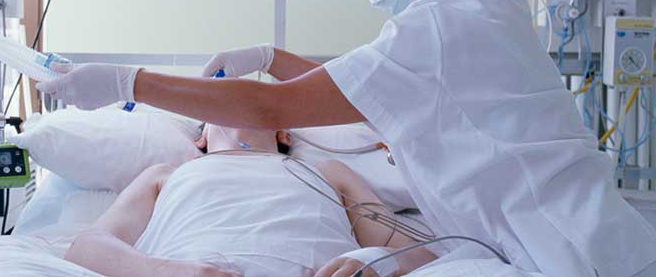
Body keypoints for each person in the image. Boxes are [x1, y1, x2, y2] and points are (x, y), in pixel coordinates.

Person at [37, 0, 656, 276]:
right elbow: (350, 77)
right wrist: (264, 56)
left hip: (569, 252)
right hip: (566, 235)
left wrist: (127, 82)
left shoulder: (426, 39)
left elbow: (272, 107)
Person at [63, 125, 438, 277]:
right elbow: (88, 247)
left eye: (249, 99)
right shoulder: (167, 174)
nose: (233, 102)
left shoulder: (328, 171)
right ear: (201, 139)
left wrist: (370, 262)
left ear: (282, 133)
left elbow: (418, 252)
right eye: (221, 98)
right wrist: (170, 272)